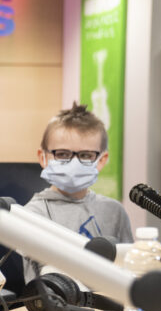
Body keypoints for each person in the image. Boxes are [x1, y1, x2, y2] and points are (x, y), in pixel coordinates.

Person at [23, 102, 133, 283]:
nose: (74, 163)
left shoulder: (114, 212)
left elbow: (129, 270)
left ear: (101, 160)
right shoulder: (32, 215)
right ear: (43, 157)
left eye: (86, 155)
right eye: (62, 154)